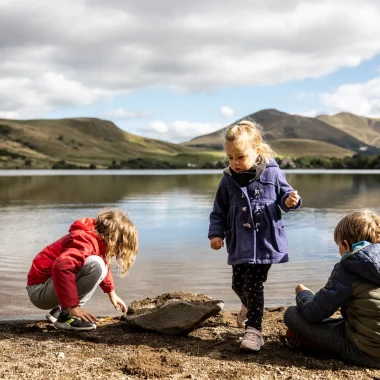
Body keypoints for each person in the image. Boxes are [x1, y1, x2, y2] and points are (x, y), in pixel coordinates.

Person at [208, 119, 301, 352]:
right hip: (239, 242)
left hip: (265, 241)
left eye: (240, 157)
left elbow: (285, 196)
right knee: (237, 284)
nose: (235, 163)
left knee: (253, 284)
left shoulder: (272, 171)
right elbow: (219, 210)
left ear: (257, 150)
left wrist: (291, 201)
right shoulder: (228, 178)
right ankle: (248, 307)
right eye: (230, 157)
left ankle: (254, 331)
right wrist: (216, 234)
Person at [284, 210, 380, 368]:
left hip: (366, 353)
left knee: (292, 314)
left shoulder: (349, 266)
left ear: (345, 244)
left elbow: (313, 313)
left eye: (339, 246)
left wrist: (303, 294)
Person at [26, 208, 138, 331]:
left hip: (46, 287)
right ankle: (66, 316)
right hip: (39, 291)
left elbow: (104, 267)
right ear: (113, 237)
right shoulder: (85, 240)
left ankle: (58, 312)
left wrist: (111, 293)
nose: (120, 250)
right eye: (120, 244)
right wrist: (73, 307)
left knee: (99, 263)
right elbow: (61, 267)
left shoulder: (95, 239)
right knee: (96, 264)